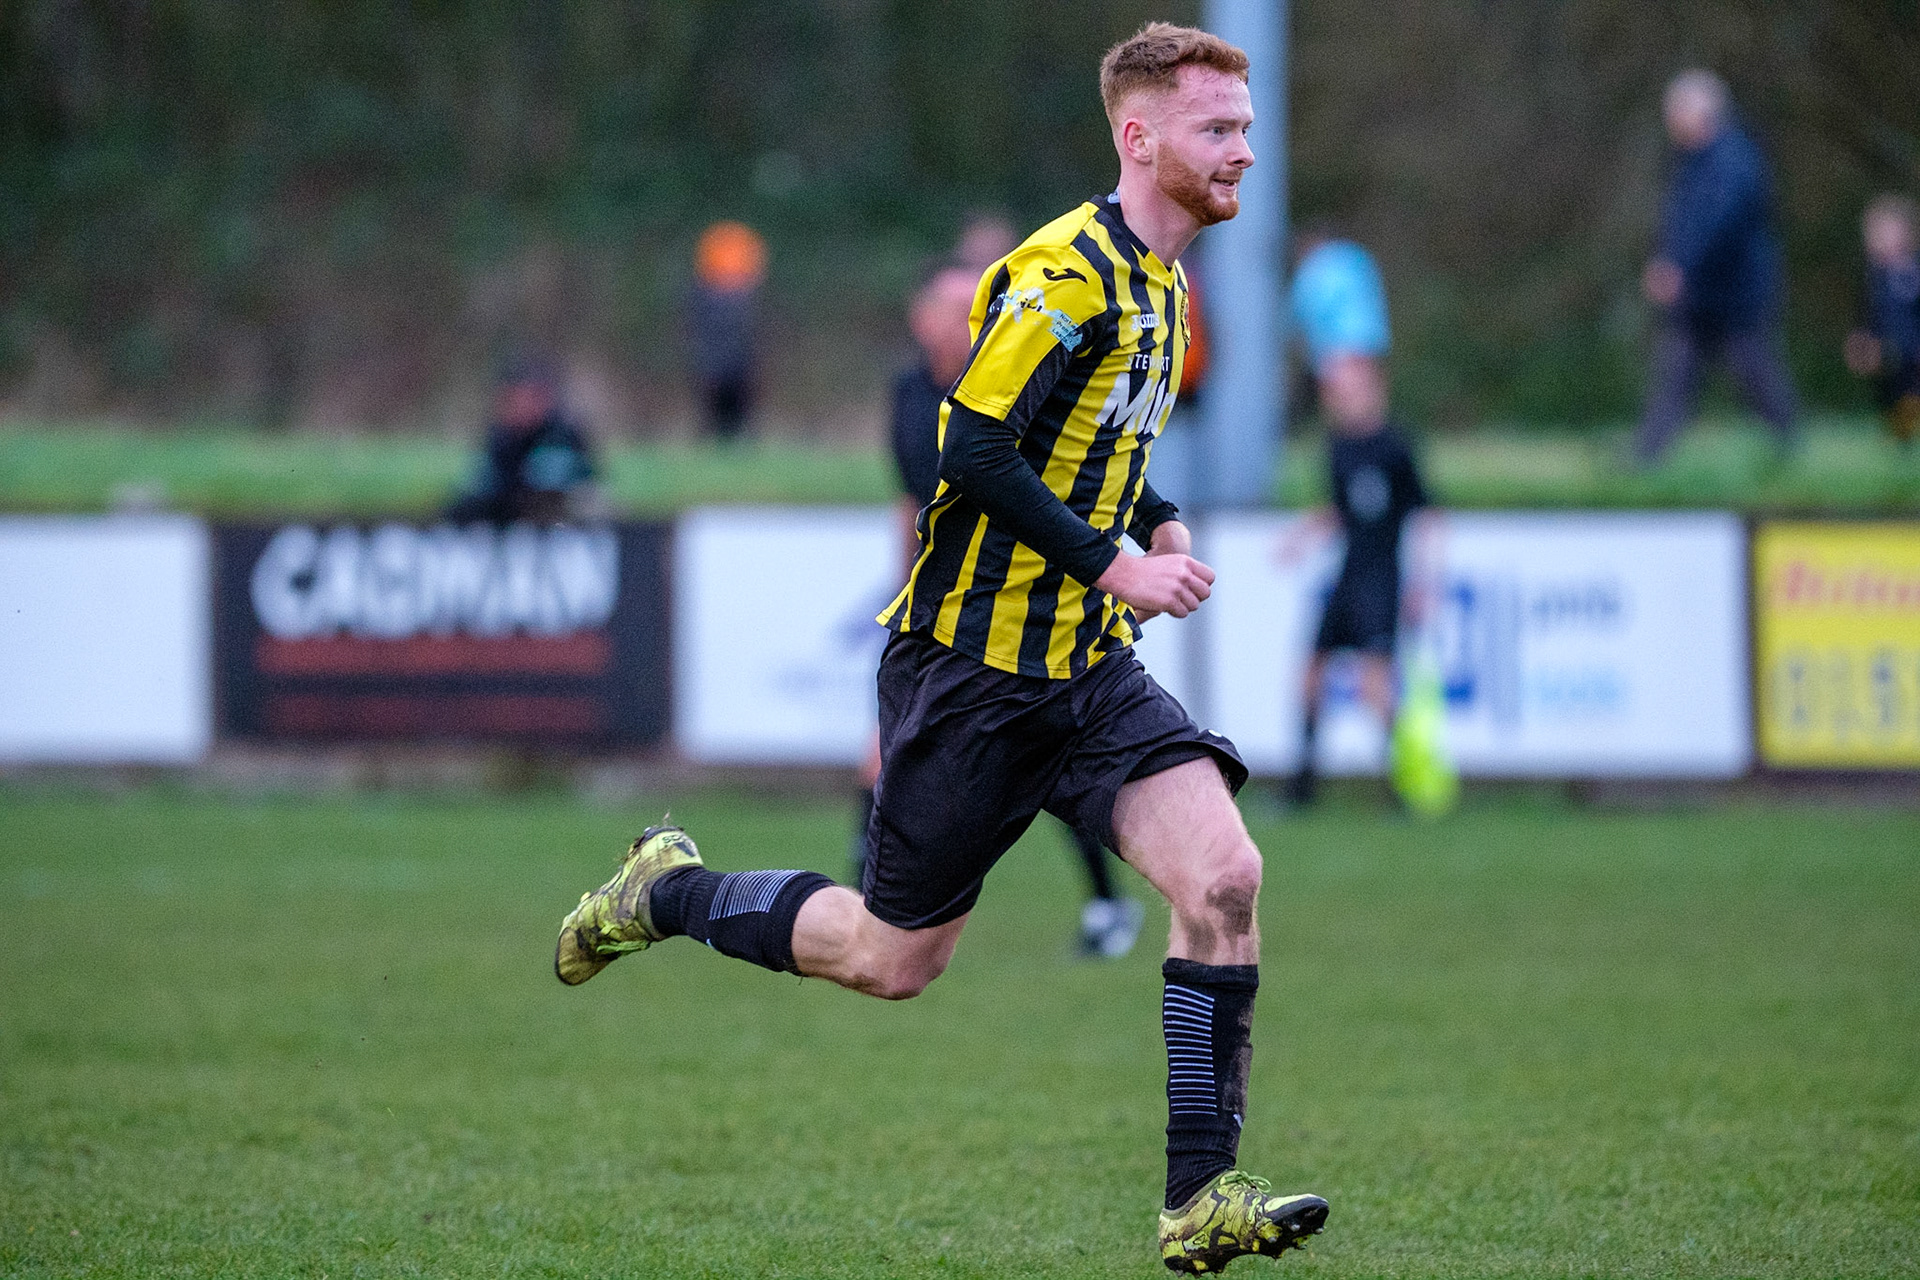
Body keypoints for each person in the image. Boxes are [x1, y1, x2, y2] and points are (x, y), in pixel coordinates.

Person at [554, 23, 1328, 1274]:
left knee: (1225, 877)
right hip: (969, 674)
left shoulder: (1165, 286)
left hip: (1086, 670)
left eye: (1245, 126)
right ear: (1140, 138)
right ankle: (665, 890)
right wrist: (1116, 563)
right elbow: (973, 444)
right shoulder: (1065, 272)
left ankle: (1200, 1197)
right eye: (1219, 128)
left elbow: (1094, 446)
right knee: (891, 957)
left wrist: (1158, 516)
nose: (1246, 149)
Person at [860, 261, 1146, 960]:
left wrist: (1139, 540)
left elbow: (1082, 470)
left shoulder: (1015, 379)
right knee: (894, 756)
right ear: (922, 319)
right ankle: (866, 905)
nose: (975, 319)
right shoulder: (909, 396)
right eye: (957, 306)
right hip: (945, 609)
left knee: (1040, 761)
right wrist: (909, 589)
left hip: (1023, 609)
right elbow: (912, 499)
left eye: (979, 304)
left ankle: (1106, 903)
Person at [1283, 354, 1433, 808]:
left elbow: (1427, 515)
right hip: (1347, 576)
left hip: (1381, 579)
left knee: (1375, 683)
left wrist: (1424, 582)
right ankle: (1302, 787)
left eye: (1347, 389)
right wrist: (1303, 535)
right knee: (1312, 673)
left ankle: (1399, 788)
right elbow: (1341, 510)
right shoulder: (1337, 446)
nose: (1338, 399)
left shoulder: (1396, 446)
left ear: (1372, 390)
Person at [1633, 70, 1800, 466]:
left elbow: (1720, 223)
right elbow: (1682, 222)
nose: (1671, 120)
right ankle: (1645, 456)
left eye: (1677, 111)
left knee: (1753, 371)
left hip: (1735, 292)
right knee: (1677, 374)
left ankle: (1790, 446)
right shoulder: (1692, 161)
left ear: (1703, 111)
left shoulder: (1733, 159)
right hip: (1701, 294)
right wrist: (1669, 261)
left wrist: (1679, 267)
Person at [445, 355, 600, 525]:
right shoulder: (501, 436)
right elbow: (484, 485)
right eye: (512, 398)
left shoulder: (559, 437)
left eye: (525, 398)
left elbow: (548, 493)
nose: (519, 406)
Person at [1844, 194, 1920, 446]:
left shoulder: (1912, 273)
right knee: (1889, 396)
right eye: (1872, 233)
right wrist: (1859, 341)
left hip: (1911, 353)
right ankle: (1899, 436)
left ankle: (1904, 430)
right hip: (1884, 354)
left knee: (1909, 393)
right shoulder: (1874, 277)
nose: (1875, 239)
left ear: (1904, 235)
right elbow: (1865, 315)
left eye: (1883, 232)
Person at [686, 220, 768, 441]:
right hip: (718, 360)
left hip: (735, 360)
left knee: (739, 386)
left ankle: (735, 432)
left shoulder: (739, 301)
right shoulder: (710, 298)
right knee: (715, 386)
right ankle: (718, 432)